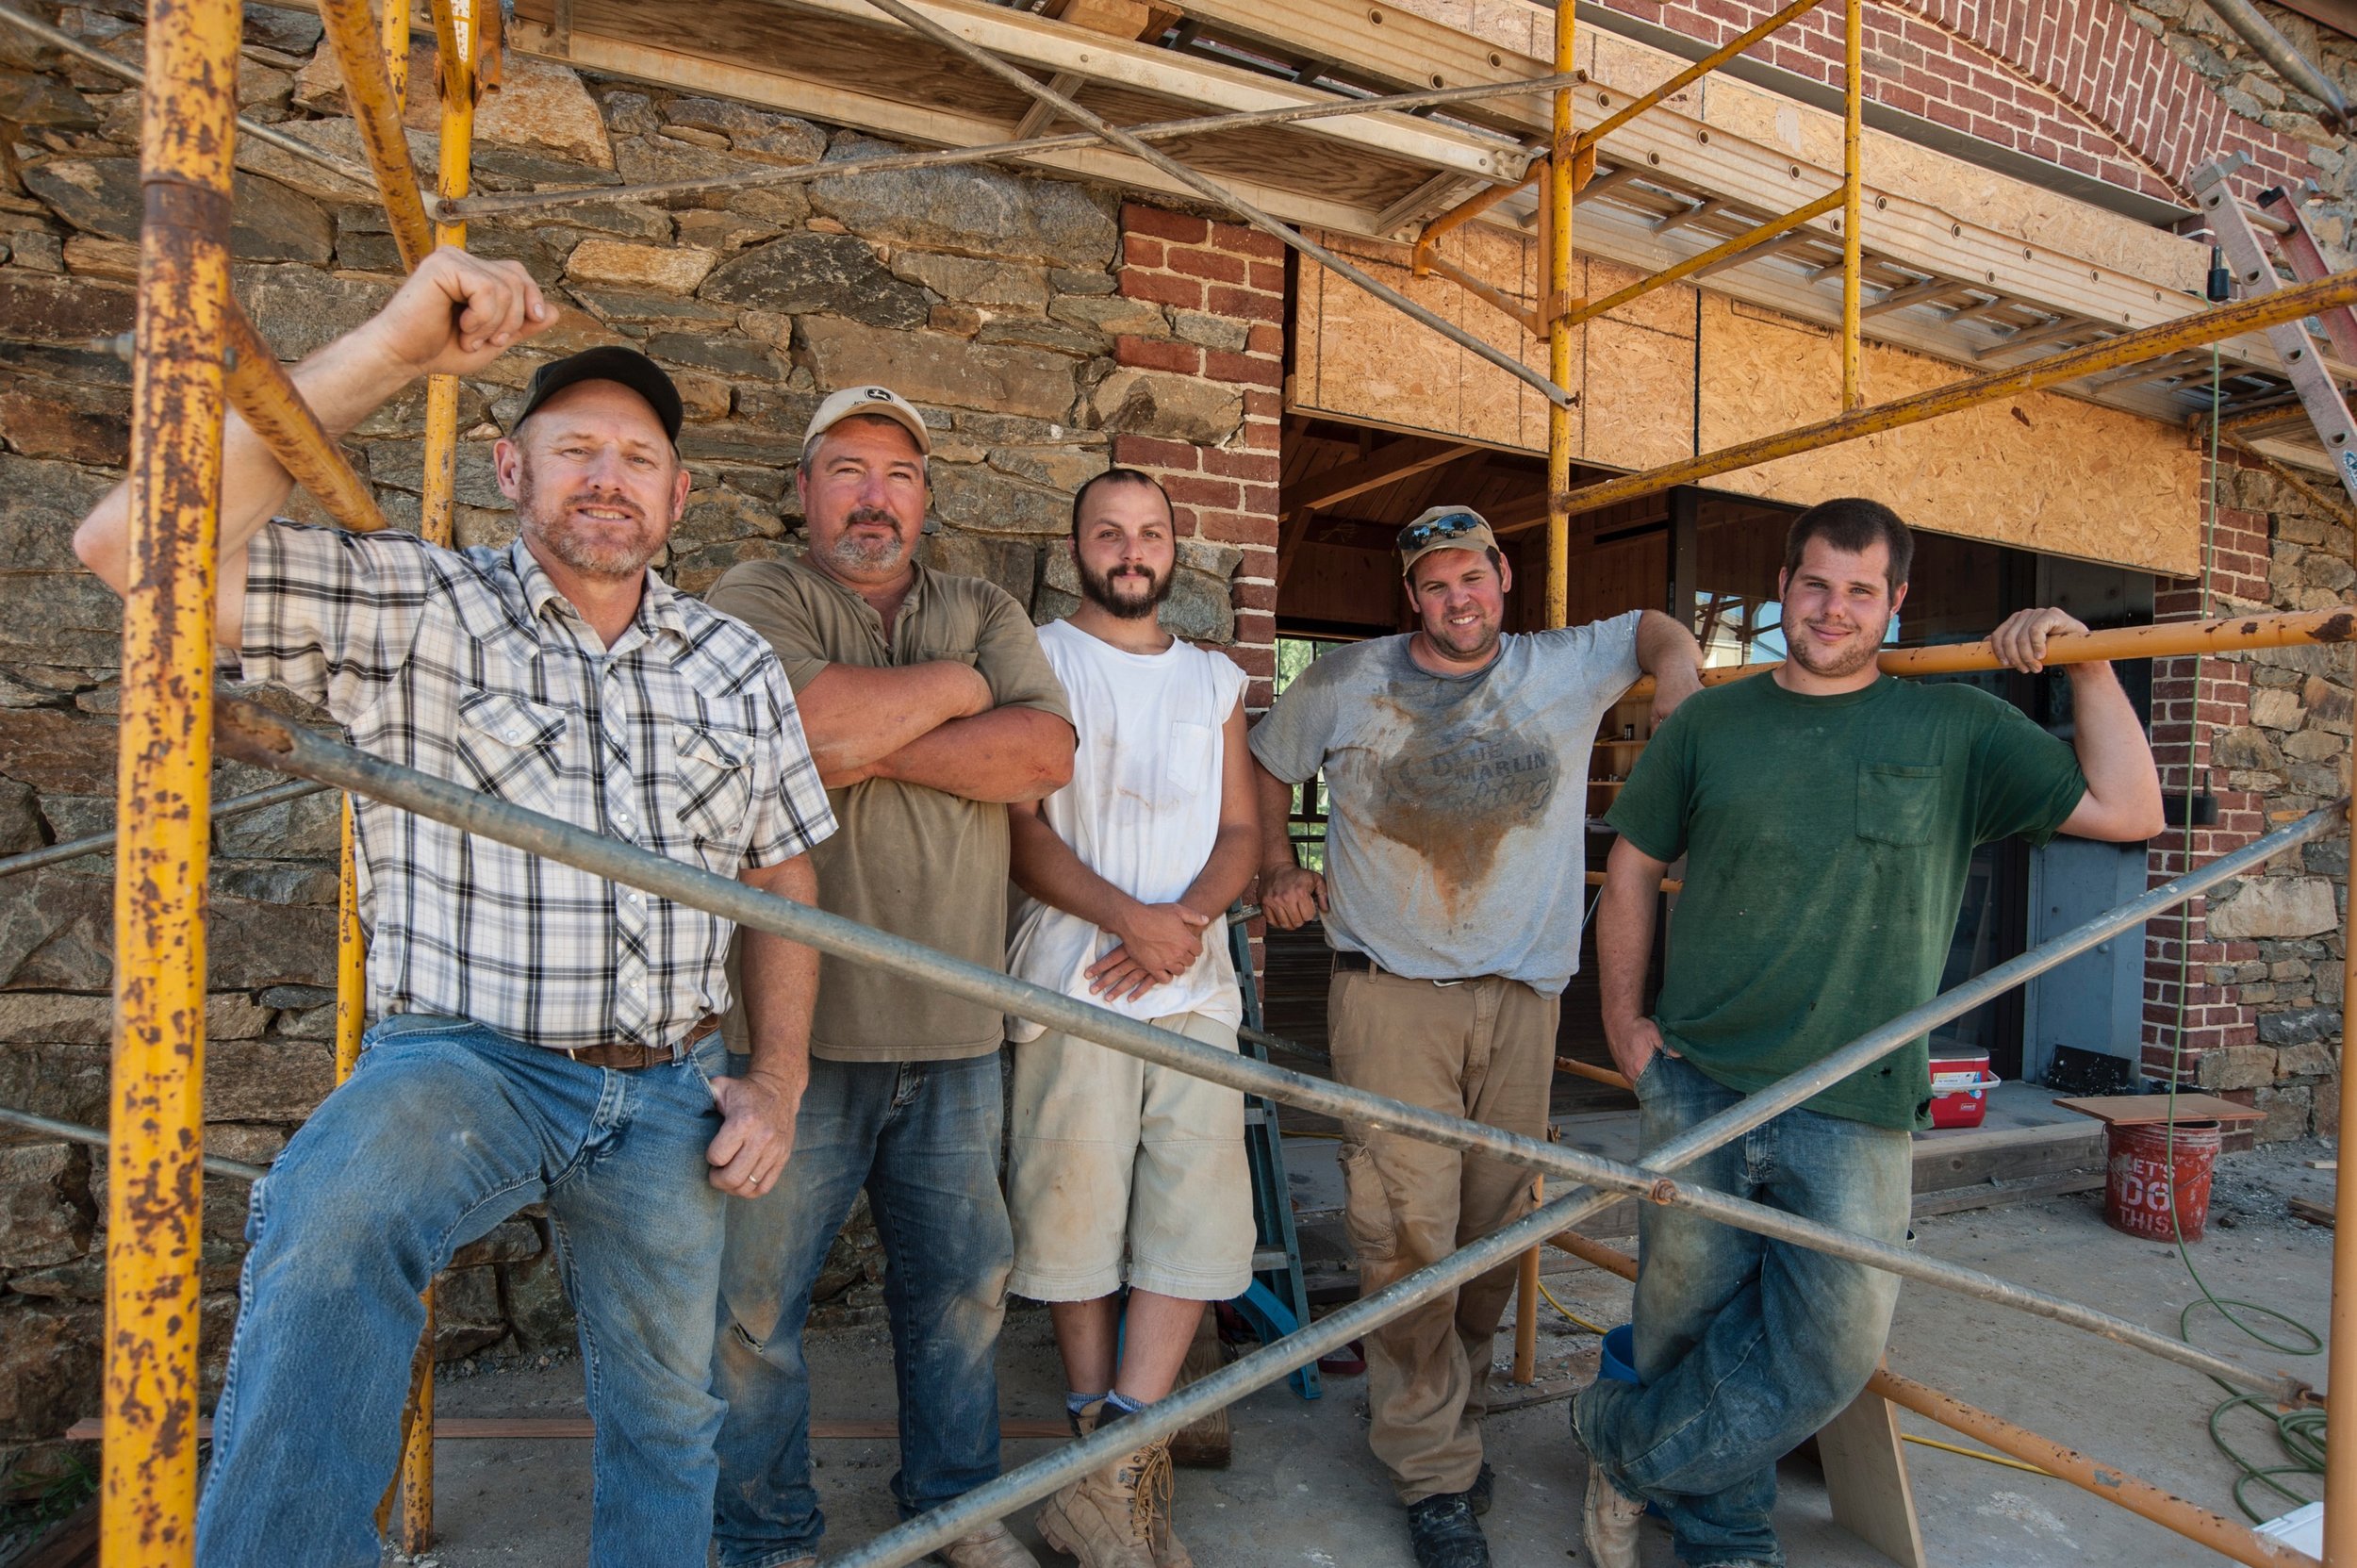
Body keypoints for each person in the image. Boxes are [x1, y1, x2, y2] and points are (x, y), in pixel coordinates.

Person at [70, 248, 833, 1568]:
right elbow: (126, 548)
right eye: (574, 447)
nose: (608, 475)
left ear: (680, 495)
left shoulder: (737, 660)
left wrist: (776, 1075)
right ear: (509, 470)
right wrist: (394, 346)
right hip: (468, 1060)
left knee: (670, 1418)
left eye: (638, 456)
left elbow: (781, 876)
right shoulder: (421, 603)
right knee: (329, 1224)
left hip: (671, 1083)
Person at [1575, 498, 2165, 1568]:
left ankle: (1615, 1440)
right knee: (1681, 1324)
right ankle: (1724, 1540)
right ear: (1781, 589)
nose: (1832, 609)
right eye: (1813, 584)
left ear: (1895, 602)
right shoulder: (1711, 722)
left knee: (1830, 1345)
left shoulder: (1954, 729)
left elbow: (2130, 811)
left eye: (1859, 591)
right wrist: (1623, 1022)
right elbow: (1630, 868)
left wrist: (2084, 663)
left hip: (1855, 1098)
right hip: (1700, 1077)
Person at [1250, 506, 1706, 1568]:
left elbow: (1649, 626)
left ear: (1504, 576)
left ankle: (1441, 1415)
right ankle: (1430, 1467)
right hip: (1392, 995)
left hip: (1522, 1002)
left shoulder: (1563, 662)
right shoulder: (1345, 679)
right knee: (1407, 1232)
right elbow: (1268, 763)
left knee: (1493, 1231)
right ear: (1412, 597)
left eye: (1473, 577)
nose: (1458, 599)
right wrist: (1276, 864)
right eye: (1434, 585)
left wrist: (1680, 668)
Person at [703, 385, 1077, 1568]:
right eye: (849, 470)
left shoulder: (981, 603)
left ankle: (952, 1511)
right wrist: (964, 693)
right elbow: (806, 730)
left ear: (927, 498)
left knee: (962, 1296)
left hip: (956, 1030)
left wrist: (865, 734)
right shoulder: (755, 596)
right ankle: (767, 1538)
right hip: (788, 1042)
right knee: (752, 1316)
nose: (875, 496)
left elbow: (1045, 753)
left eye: (899, 475)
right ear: (803, 490)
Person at [1001, 468, 1259, 1568]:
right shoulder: (1038, 658)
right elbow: (1018, 824)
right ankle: (1097, 1455)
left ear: (1174, 550)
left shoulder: (1214, 679)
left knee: (1190, 1225)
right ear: (1076, 549)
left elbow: (1244, 828)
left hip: (1192, 989)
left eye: (1149, 531)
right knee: (1076, 1221)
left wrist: (1186, 923)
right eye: (1108, 531)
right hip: (1071, 979)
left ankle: (1113, 1467)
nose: (1130, 547)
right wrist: (1128, 919)